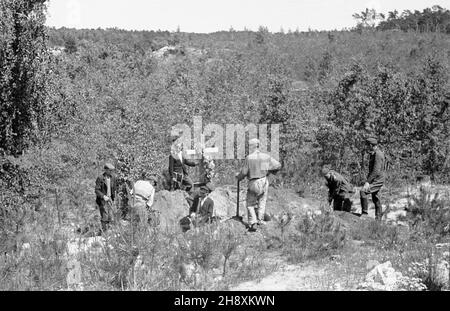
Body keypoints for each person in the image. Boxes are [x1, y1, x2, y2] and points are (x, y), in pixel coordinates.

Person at [236, 138, 281, 232]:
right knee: (262, 201)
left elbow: (244, 172)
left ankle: (253, 222)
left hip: (254, 182)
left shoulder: (249, 158)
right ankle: (260, 220)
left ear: (251, 146)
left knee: (250, 204)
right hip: (264, 180)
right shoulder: (265, 156)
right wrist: (268, 171)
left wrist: (238, 177)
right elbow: (277, 165)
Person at [360, 137, 385, 220]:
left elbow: (375, 171)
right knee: (376, 197)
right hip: (376, 179)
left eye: (367, 145)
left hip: (377, 179)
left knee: (363, 191)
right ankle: (378, 219)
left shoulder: (378, 154)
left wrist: (367, 182)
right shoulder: (374, 153)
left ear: (371, 145)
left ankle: (364, 214)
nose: (366, 147)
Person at [95, 163, 117, 232]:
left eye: (112, 170)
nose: (111, 172)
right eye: (110, 170)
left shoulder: (113, 177)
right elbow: (97, 190)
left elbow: (115, 188)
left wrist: (115, 198)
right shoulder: (100, 178)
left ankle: (109, 231)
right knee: (104, 216)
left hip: (111, 198)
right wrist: (103, 196)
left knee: (111, 216)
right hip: (103, 199)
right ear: (106, 170)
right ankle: (104, 232)